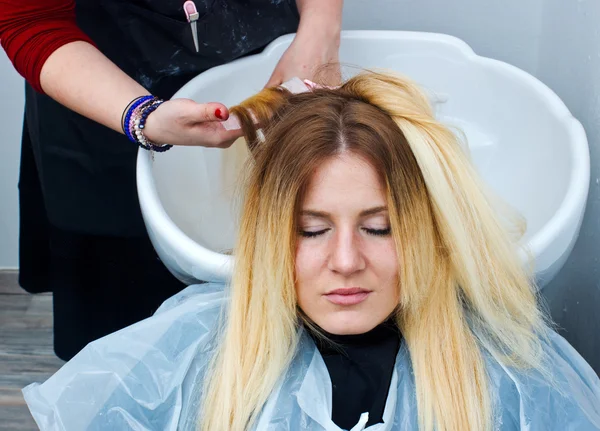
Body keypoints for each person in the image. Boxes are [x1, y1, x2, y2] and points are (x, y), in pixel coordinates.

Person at [22, 71, 600, 430]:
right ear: (271, 233)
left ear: (428, 230)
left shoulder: (511, 374)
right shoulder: (189, 357)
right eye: (311, 229)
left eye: (380, 228)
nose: (346, 261)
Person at [0, 0, 343, 361]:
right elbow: (32, 20)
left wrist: (321, 27)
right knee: (131, 353)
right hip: (99, 96)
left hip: (269, 59)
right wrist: (143, 116)